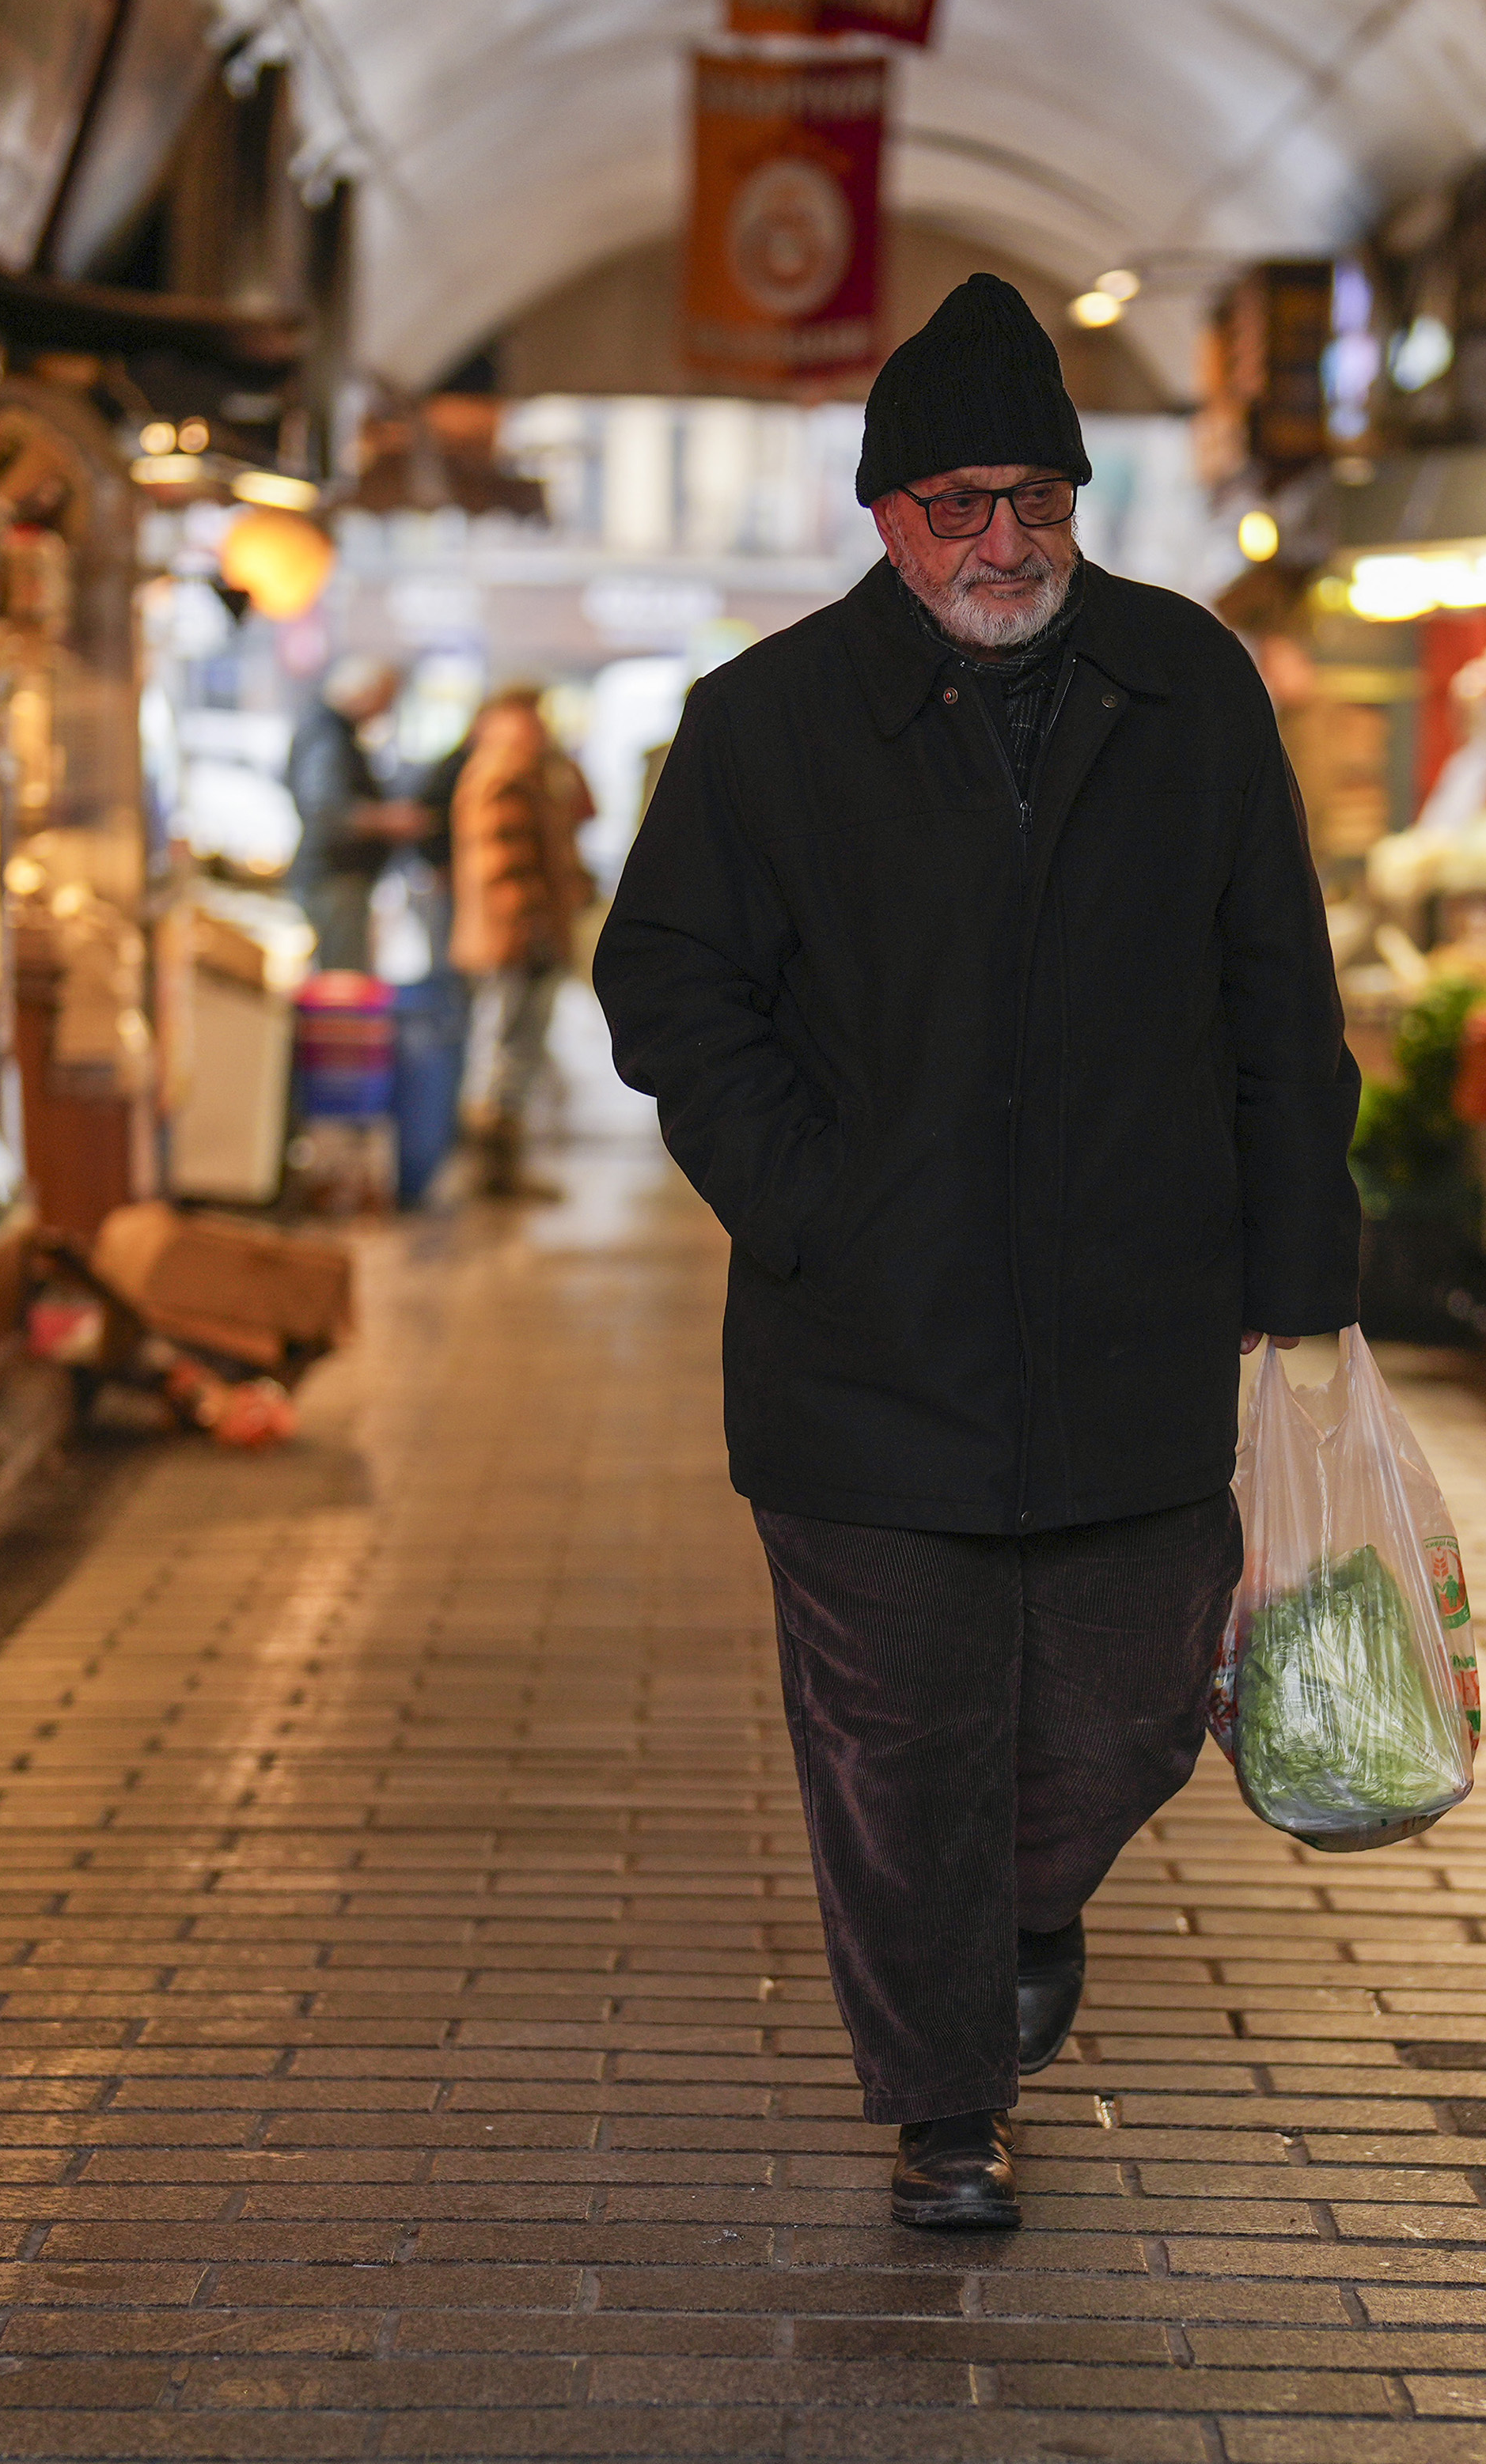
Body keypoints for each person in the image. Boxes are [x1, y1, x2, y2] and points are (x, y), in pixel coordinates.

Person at [593, 274, 1363, 2232]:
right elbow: (665, 986)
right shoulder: (763, 726)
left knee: (1124, 1702)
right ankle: (948, 2108)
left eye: (1034, 495)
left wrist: (1306, 1288)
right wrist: (808, 1197)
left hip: (1137, 1326)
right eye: (956, 503)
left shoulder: (1189, 691)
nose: (1000, 540)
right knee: (896, 1742)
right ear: (883, 517)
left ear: (1079, 501)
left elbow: (1278, 992)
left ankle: (1015, 1909)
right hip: (865, 1348)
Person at [443, 685, 597, 1199]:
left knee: (515, 1049)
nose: (540, 726)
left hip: (524, 934)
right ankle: (492, 1175)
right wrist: (532, 926)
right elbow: (503, 864)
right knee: (504, 1050)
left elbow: (583, 813)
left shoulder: (532, 771)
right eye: (530, 716)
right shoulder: (503, 774)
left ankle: (502, 1171)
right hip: (513, 938)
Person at [283, 655, 430, 974]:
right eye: (386, 699)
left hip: (336, 874)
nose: (387, 710)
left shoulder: (334, 731)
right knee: (342, 979)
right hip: (334, 875)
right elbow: (325, 808)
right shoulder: (328, 735)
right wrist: (387, 820)